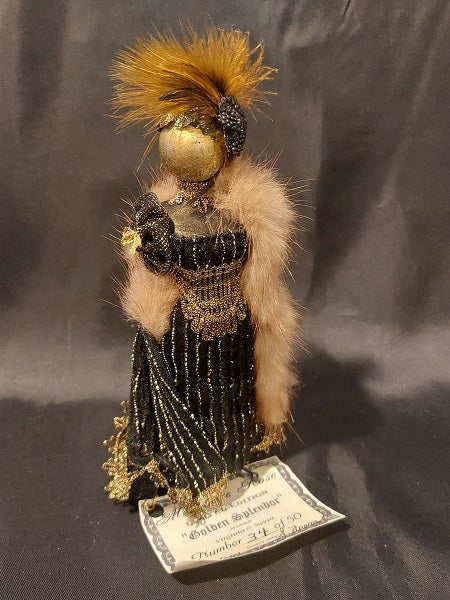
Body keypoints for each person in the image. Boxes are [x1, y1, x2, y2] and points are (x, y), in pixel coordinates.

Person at [103, 28, 300, 518]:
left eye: (198, 132)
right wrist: (150, 249)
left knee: (230, 390)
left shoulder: (245, 214)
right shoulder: (160, 217)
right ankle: (186, 467)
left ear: (221, 145)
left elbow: (255, 268)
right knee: (191, 389)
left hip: (232, 325)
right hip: (185, 330)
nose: (185, 140)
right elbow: (154, 263)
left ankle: (232, 454)